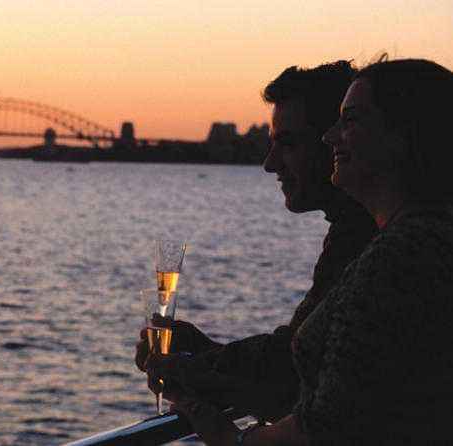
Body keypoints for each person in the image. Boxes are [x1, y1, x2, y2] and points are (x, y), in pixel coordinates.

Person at [177, 58, 453, 445]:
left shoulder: (401, 254)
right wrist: (206, 358)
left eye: (349, 120)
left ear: (402, 135)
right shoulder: (409, 236)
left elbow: (328, 418)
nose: (331, 137)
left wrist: (231, 437)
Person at [136, 61, 378, 422]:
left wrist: (198, 374)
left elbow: (305, 385)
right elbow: (295, 357)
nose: (269, 164)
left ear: (336, 140)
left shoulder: (375, 240)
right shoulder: (353, 228)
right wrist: (207, 354)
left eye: (288, 143)